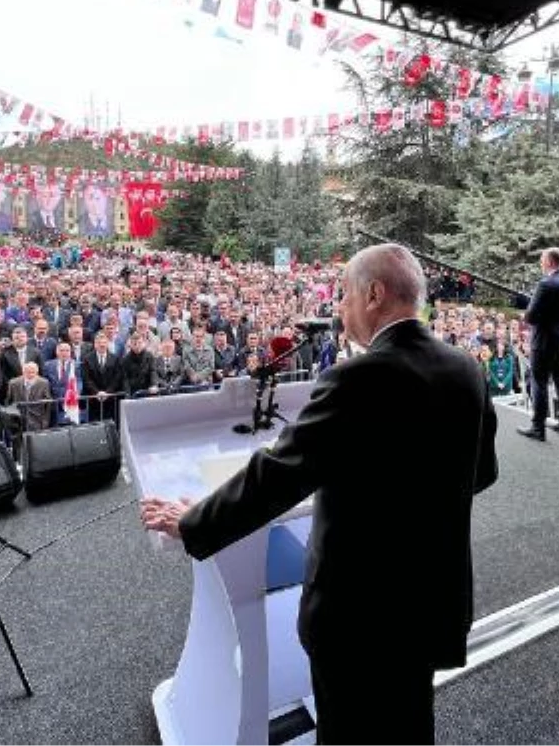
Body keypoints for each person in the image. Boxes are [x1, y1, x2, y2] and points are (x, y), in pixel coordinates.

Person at [141, 244, 499, 743]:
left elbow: (275, 475)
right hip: (430, 603)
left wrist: (193, 520)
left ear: (373, 294)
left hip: (359, 618)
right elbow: (481, 472)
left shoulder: (359, 377)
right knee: (410, 725)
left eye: (345, 295)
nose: (339, 308)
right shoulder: (466, 368)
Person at [514, 246, 559, 441]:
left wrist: (525, 316)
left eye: (542, 259)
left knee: (539, 381)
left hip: (545, 339)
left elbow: (532, 316)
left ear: (550, 262)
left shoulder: (546, 283)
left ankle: (538, 428)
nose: (541, 263)